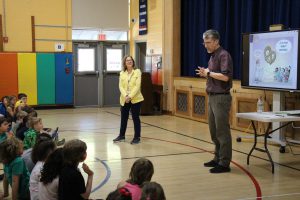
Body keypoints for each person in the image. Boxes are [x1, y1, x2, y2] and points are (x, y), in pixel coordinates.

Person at [195, 29, 233, 173]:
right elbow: (215, 76)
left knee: (222, 131)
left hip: (221, 98)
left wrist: (209, 73)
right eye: (204, 42)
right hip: (212, 96)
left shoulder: (224, 55)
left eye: (208, 42)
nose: (205, 45)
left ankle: (224, 163)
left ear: (216, 41)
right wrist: (205, 74)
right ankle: (217, 157)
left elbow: (225, 77)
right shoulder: (212, 56)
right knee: (213, 130)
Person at [113, 56, 144, 144]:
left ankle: (137, 137)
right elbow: (120, 86)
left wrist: (130, 96)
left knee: (135, 118)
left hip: (136, 99)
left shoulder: (137, 72)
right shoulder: (122, 73)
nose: (129, 61)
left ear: (133, 62)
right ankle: (121, 136)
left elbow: (137, 86)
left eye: (130, 60)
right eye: (127, 60)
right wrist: (126, 96)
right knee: (123, 118)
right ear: (125, 63)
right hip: (124, 99)